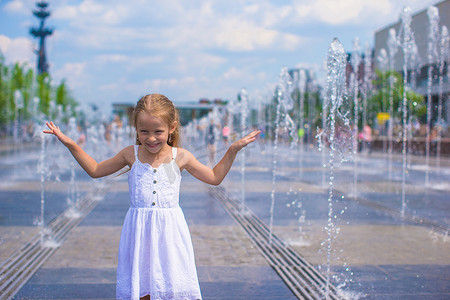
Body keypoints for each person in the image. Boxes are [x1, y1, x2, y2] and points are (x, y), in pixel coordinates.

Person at [43, 94, 260, 300]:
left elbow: (214, 177)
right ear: (136, 129)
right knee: (143, 288)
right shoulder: (131, 154)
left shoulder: (181, 156)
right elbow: (95, 170)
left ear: (171, 128)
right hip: (139, 234)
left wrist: (232, 149)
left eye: (158, 131)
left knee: (171, 287)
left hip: (170, 235)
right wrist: (70, 144)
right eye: (144, 131)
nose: (151, 138)